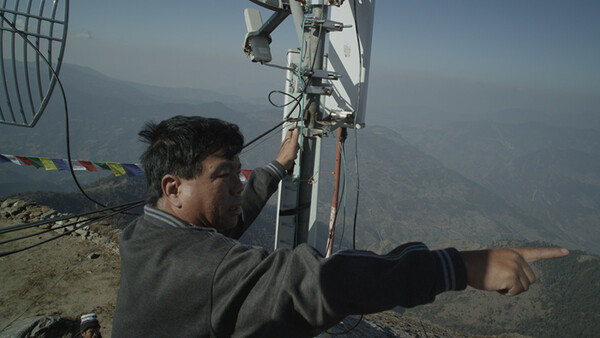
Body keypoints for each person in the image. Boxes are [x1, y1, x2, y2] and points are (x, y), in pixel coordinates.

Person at [112, 115, 569, 337]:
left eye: (239, 172)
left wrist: (274, 168)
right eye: (223, 176)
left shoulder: (146, 235)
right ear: (173, 187)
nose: (237, 186)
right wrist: (459, 267)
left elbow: (227, 221)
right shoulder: (205, 270)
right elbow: (321, 281)